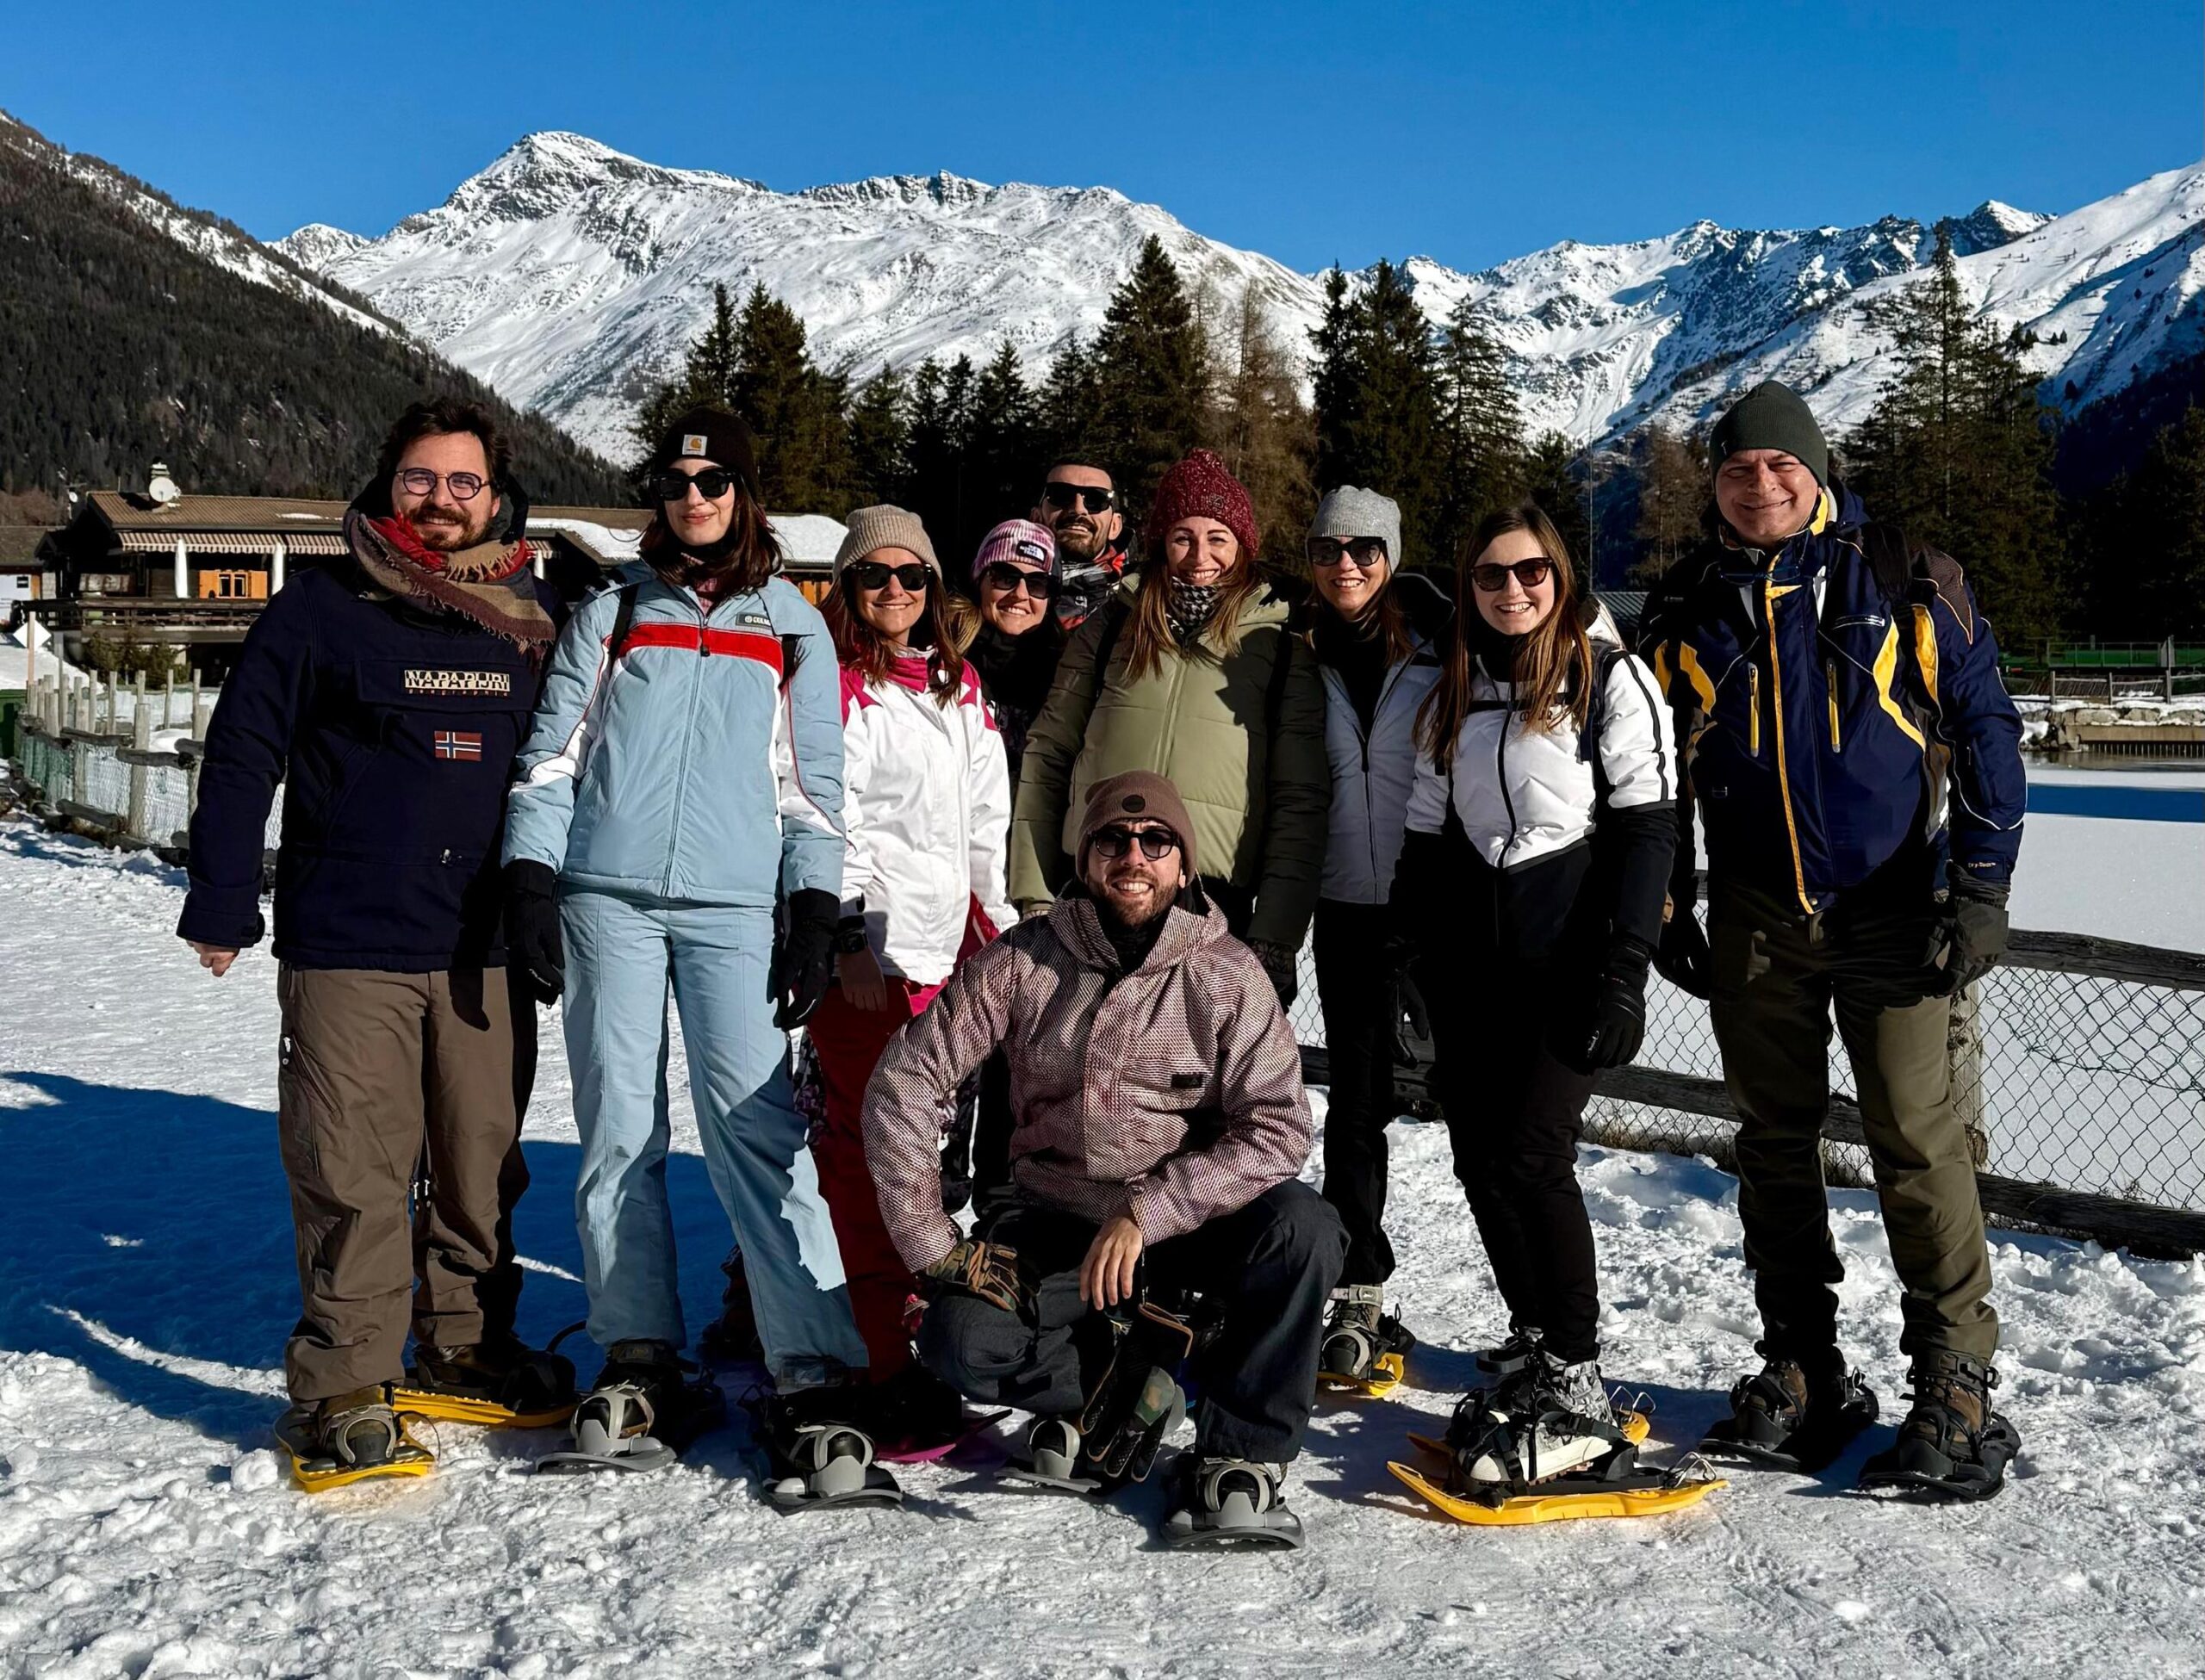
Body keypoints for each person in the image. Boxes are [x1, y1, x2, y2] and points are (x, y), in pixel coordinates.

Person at [178, 397, 574, 1486]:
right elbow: (242, 753)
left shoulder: (531, 618)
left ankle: (463, 1340)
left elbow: (565, 771)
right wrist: (222, 897)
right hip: (349, 937)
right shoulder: (320, 609)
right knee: (354, 1169)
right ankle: (342, 1385)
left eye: (462, 483)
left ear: (498, 498)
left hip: (484, 945)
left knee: (480, 1164)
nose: (439, 500)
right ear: (384, 484)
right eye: (418, 478)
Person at [1642, 379, 2026, 1500]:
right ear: (1716, 486)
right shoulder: (1689, 607)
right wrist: (1670, 900)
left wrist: (1981, 887)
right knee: (1773, 1138)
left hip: (1894, 907)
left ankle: (1955, 1379)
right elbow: (1655, 776)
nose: (1759, 481)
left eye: (1779, 464)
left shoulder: (1902, 576)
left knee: (1919, 1139)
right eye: (1736, 467)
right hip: (1762, 914)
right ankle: (1805, 1363)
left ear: (1815, 472)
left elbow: (1987, 728)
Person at [501, 407, 894, 1503]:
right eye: (677, 481)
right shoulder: (616, 610)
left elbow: (813, 791)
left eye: (716, 478)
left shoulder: (793, 627)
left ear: (744, 492)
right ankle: (637, 1353)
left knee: (757, 1129)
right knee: (619, 1126)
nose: (695, 496)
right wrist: (532, 874)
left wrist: (812, 908)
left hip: (732, 910)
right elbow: (550, 758)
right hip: (607, 900)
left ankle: (810, 1367)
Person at [863, 772, 1346, 1547]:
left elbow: (1280, 1127)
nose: (1134, 856)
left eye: (1156, 842)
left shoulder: (1227, 974)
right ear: (1085, 857)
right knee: (958, 1340)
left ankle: (1239, 1456)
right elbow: (905, 1080)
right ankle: (1128, 1377)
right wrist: (934, 1244)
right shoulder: (1024, 958)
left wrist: (1147, 1209)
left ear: (1183, 866)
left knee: (1305, 1228)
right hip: (1056, 1219)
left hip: (1183, 1228)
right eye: (1112, 840)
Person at [1383, 503, 1681, 1510]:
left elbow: (1648, 829)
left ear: (1558, 576)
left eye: (1529, 573)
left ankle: (1580, 1370)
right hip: (1474, 962)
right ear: (1466, 587)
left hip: (1568, 958)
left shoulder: (1608, 681)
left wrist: (1624, 967)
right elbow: (1427, 841)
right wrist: (1411, 964)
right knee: (1476, 1153)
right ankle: (1536, 1340)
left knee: (1532, 1154)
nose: (1511, 591)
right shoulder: (1454, 686)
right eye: (1488, 576)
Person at [805, 505, 1016, 1446]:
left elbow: (984, 823)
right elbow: (819, 811)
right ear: (848, 589)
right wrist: (846, 936)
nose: (895, 592)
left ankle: (916, 1329)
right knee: (863, 1152)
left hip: (948, 958)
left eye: (913, 577)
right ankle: (881, 1355)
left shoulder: (957, 684)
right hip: (871, 959)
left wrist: (999, 933)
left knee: (927, 1156)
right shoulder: (833, 685)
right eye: (874, 576)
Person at [1008, 449, 1328, 1006]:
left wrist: (1275, 937)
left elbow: (1299, 798)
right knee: (1069, 1079)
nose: (1199, 556)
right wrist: (1034, 891)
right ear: (1160, 543)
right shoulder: (1110, 628)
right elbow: (1049, 751)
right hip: (1097, 888)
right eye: (1182, 536)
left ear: (1243, 547)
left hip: (1211, 904)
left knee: (1187, 1085)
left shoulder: (1279, 648)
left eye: (1218, 538)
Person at [1295, 487, 1450, 1391]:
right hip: (1344, 902)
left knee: (1479, 1101)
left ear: (1391, 556)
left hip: (1434, 903)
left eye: (1364, 549)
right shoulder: (1293, 651)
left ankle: (1536, 1317)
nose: (1345, 564)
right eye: (1327, 548)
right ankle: (1359, 1281)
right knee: (1353, 1102)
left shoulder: (1440, 647)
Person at [963, 518, 1066, 792]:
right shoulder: (944, 661)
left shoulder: (1069, 675)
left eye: (1037, 583)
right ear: (980, 581)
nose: (1020, 594)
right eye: (1005, 577)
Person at [1030, 459, 1127, 629]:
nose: (1078, 509)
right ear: (1036, 518)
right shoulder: (997, 590)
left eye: (1096, 499)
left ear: (1115, 525)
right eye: (1061, 495)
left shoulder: (1141, 600)